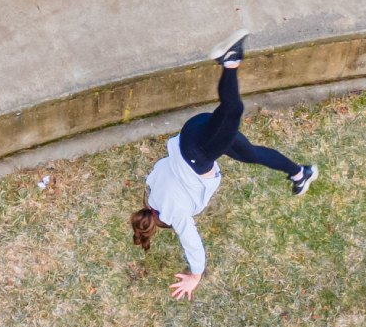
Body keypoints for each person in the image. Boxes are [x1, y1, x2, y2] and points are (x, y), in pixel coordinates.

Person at [131, 30, 318, 301]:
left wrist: (195, 275)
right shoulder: (152, 189)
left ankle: (229, 62)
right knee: (249, 152)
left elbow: (192, 244)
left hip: (201, 152)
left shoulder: (176, 214)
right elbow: (160, 167)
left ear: (163, 222)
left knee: (233, 111)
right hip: (192, 132)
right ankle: (300, 173)